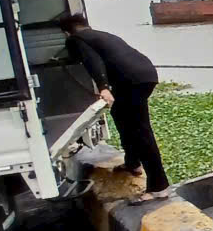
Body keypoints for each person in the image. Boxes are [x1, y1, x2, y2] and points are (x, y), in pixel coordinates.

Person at [59, 13, 170, 198]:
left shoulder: (77, 39)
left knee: (140, 131)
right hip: (145, 74)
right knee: (121, 117)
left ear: (66, 32)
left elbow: (92, 61)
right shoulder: (102, 35)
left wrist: (103, 87)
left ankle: (159, 187)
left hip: (130, 81)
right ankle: (132, 163)